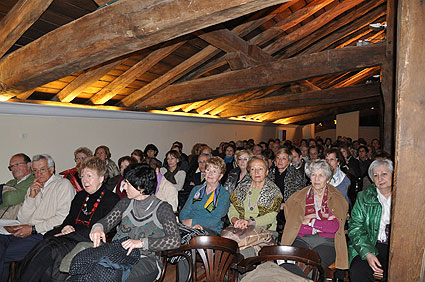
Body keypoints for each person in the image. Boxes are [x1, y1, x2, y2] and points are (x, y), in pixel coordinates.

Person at [17, 156, 120, 282]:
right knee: (43, 244)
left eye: (89, 176)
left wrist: (67, 234)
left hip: (87, 241)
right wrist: (65, 227)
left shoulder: (111, 199)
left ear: (101, 178)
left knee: (49, 251)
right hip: (68, 237)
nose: (85, 181)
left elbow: (104, 228)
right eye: (82, 176)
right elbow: (69, 220)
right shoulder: (80, 196)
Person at [89, 164, 180, 282]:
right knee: (88, 269)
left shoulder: (162, 208)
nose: (124, 187)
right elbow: (107, 221)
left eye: (127, 183)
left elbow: (175, 240)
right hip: (117, 255)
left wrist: (141, 243)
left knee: (111, 276)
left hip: (147, 260)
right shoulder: (125, 203)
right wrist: (98, 227)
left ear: (141, 187)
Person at [0, 154, 75, 281]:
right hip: (25, 230)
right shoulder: (34, 186)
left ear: (52, 169)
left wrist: (33, 229)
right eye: (35, 170)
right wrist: (31, 197)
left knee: (4, 254)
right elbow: (22, 218)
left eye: (42, 169)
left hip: (43, 235)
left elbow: (62, 218)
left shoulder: (63, 185)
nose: (38, 174)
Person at [281, 159, 348, 270]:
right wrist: (321, 225)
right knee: (292, 263)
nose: (316, 179)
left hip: (327, 242)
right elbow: (294, 227)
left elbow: (334, 227)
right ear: (309, 177)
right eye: (313, 175)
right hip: (302, 239)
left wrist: (310, 221)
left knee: (313, 264)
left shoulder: (336, 198)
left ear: (327, 178)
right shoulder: (298, 197)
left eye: (321, 175)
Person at [348, 159, 393, 282]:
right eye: (375, 175)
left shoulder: (404, 196)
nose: (380, 178)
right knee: (357, 271)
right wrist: (367, 253)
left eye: (384, 174)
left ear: (394, 175)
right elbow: (355, 227)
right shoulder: (364, 197)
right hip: (370, 243)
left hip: (396, 247)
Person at [228, 157, 282, 239]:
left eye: (260, 169)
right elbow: (233, 209)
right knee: (225, 238)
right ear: (249, 172)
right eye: (253, 169)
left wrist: (249, 222)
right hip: (240, 227)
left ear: (267, 172)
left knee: (239, 241)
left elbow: (270, 217)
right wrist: (236, 221)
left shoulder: (273, 191)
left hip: (265, 229)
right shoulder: (242, 187)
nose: (256, 172)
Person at [180, 157, 230, 236]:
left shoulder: (224, 195)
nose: (210, 174)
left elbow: (215, 220)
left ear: (220, 176)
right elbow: (184, 212)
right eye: (208, 170)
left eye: (214, 171)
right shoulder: (196, 189)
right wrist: (189, 224)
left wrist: (194, 222)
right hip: (189, 226)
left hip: (211, 230)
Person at [268, 148, 306, 232]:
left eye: (284, 158)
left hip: (288, 210)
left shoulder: (296, 175)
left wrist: (287, 204)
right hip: (272, 208)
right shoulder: (270, 174)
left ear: (289, 161)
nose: (280, 161)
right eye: (278, 158)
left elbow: (300, 194)